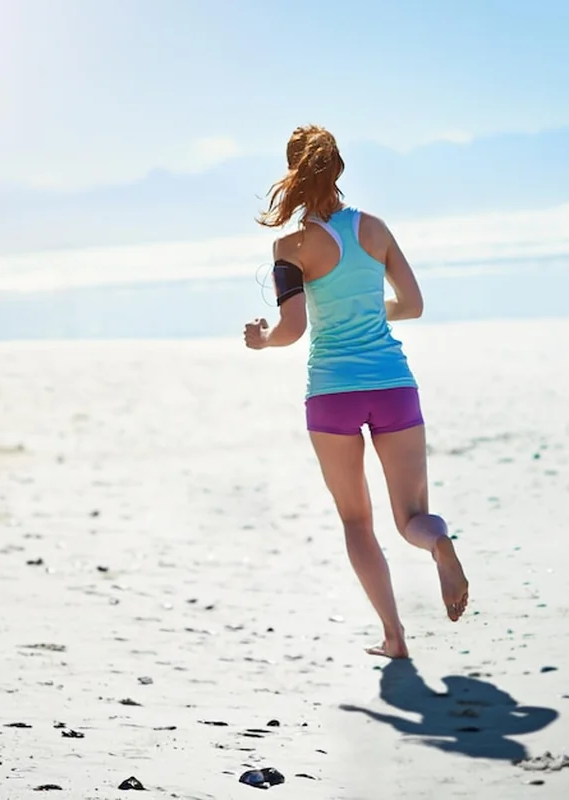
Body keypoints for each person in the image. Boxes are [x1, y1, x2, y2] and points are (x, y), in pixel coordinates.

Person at [243, 124, 468, 659]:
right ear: (338, 169)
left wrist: (263, 341)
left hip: (333, 394)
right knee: (412, 517)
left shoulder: (290, 247)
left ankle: (393, 637)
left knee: (355, 521)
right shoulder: (376, 229)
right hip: (393, 385)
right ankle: (439, 543)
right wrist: (369, 310)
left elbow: (293, 329)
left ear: (294, 175)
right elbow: (412, 305)